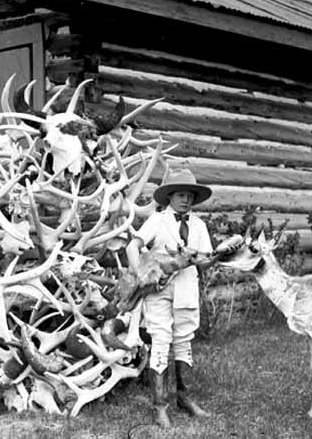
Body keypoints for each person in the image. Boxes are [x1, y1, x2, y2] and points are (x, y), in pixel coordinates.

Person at [125, 168, 214, 428]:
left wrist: (213, 256)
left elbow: (205, 262)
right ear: (170, 197)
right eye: (180, 194)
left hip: (187, 289)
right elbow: (133, 245)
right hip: (159, 292)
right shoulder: (158, 220)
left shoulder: (199, 225)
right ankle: (160, 405)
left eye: (189, 195)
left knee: (184, 340)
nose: (185, 200)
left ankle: (184, 399)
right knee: (161, 342)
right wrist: (141, 273)